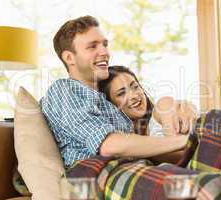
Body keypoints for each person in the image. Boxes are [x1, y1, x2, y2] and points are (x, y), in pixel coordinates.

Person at [40, 15, 194, 169]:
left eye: (104, 45)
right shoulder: (63, 90)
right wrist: (187, 141)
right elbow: (109, 146)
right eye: (92, 46)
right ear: (69, 57)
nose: (105, 52)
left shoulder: (107, 105)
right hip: (99, 173)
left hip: (134, 169)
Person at [98, 65, 198, 137]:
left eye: (135, 87)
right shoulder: (122, 140)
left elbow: (181, 151)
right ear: (110, 105)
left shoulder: (161, 108)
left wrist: (188, 107)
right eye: (121, 93)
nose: (134, 95)